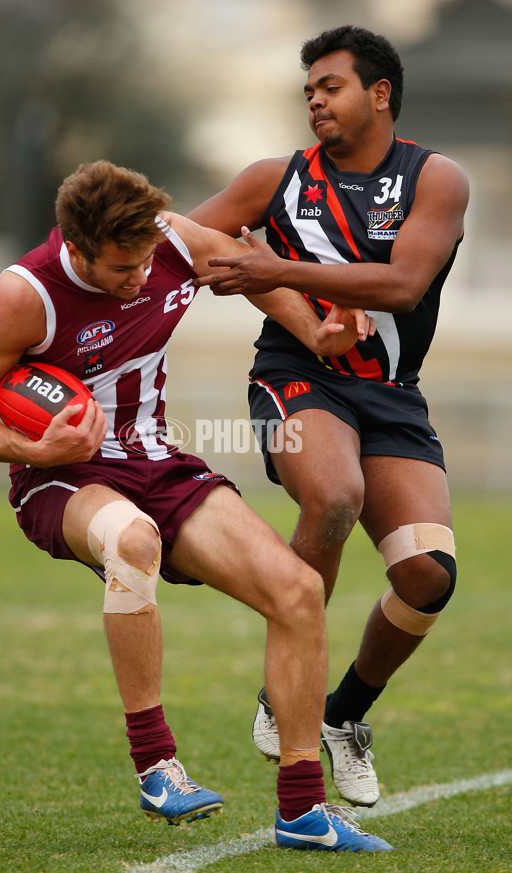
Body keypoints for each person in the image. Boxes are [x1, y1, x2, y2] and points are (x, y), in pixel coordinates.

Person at [0, 159, 391, 852]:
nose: (142, 276)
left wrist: (314, 332)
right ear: (76, 247)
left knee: (298, 591)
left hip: (158, 463)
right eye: (122, 268)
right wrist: (39, 449)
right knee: (133, 540)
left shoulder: (172, 242)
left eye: (147, 257)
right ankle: (157, 765)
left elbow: (248, 270)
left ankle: (303, 812)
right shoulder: (24, 294)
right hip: (61, 478)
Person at [189, 25, 468, 808]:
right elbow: (186, 237)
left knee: (427, 576)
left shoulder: (435, 178)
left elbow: (404, 284)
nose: (314, 98)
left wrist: (272, 266)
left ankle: (343, 716)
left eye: (331, 85)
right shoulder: (274, 178)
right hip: (294, 378)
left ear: (380, 93)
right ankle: (288, 685)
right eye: (308, 88)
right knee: (336, 494)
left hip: (391, 394)